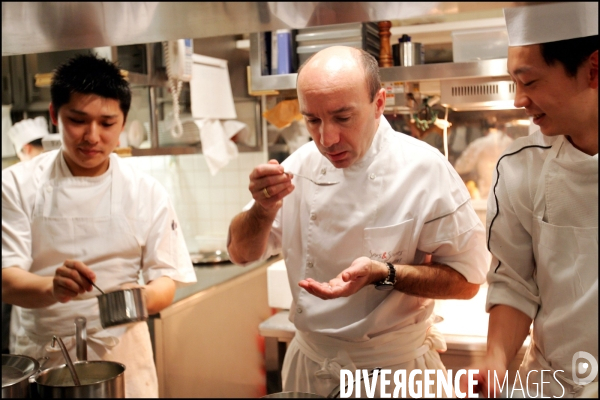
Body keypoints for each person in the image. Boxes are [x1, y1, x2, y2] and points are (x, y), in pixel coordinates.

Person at [227, 45, 489, 397]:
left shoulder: (424, 170)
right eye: (313, 120)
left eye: (343, 117)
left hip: (395, 374)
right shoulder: (298, 166)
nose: (326, 138)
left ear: (379, 103)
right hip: (311, 367)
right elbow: (240, 253)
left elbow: (467, 281)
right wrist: (262, 209)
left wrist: (386, 274)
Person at [2, 54, 197, 398]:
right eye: (78, 120)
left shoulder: (145, 190)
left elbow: (166, 277)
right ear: (54, 116)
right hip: (43, 359)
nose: (92, 136)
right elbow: (6, 279)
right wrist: (53, 288)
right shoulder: (16, 184)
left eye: (107, 123)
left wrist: (134, 301)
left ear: (122, 122)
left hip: (121, 360)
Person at [459, 2, 598, 398]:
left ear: (594, 69)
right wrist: (495, 362)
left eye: (530, 82)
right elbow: (516, 282)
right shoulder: (522, 166)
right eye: (513, 82)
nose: (519, 99)